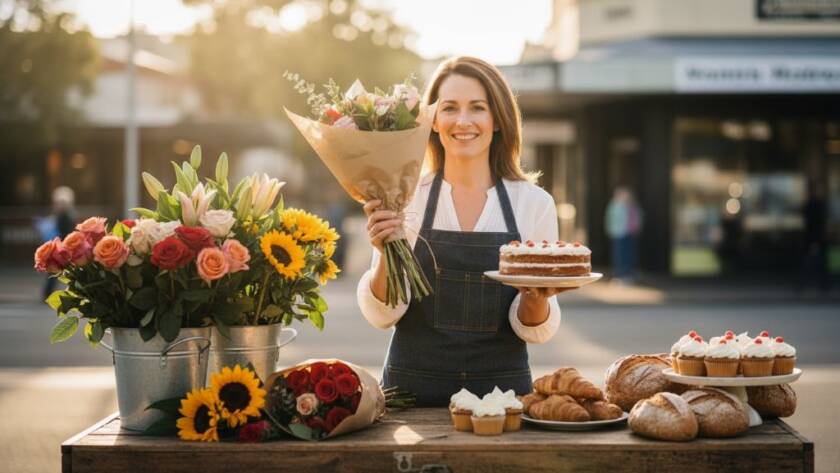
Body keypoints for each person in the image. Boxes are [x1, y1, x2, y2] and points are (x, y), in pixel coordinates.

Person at [357, 57, 574, 407]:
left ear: (498, 120)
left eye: (477, 108)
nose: (463, 121)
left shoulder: (534, 204)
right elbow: (383, 315)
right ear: (432, 121)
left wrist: (537, 295)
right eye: (449, 108)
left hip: (503, 399)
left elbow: (534, 330)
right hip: (410, 398)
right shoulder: (404, 197)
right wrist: (384, 254)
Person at [40, 186, 76, 299]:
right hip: (60, 248)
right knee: (54, 273)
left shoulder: (65, 217)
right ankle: (48, 294)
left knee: (56, 273)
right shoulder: (62, 216)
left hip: (62, 249)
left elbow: (67, 233)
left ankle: (48, 294)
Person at [605, 187, 643, 284]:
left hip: (630, 233)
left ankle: (629, 274)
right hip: (619, 233)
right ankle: (620, 275)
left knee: (629, 255)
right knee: (619, 255)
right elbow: (609, 219)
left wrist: (636, 228)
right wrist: (610, 230)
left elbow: (638, 218)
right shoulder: (615, 206)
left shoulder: (632, 206)